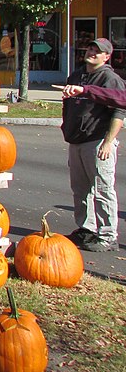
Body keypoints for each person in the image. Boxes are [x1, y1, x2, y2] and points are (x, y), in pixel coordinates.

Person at [60, 38, 124, 252]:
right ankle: (87, 229)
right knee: (80, 189)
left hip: (97, 142)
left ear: (107, 57)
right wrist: (65, 127)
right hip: (76, 141)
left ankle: (107, 235)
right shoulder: (77, 75)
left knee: (103, 189)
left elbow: (119, 110)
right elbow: (68, 104)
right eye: (90, 48)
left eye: (98, 51)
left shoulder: (109, 78)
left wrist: (109, 141)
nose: (92, 52)